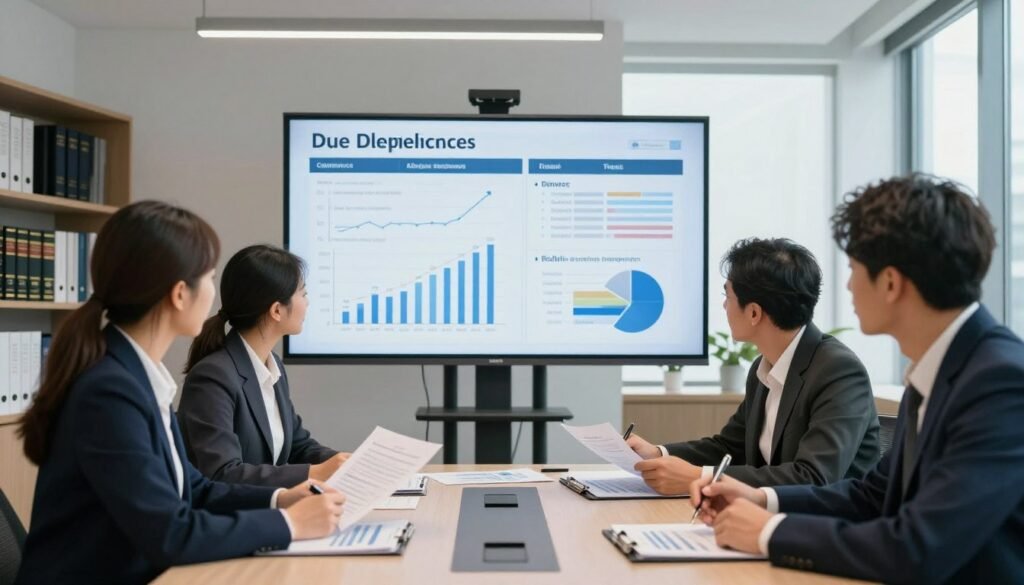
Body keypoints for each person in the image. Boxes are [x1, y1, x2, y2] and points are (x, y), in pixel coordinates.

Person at [691, 175, 1024, 583]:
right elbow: (874, 496)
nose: (847, 285)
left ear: (889, 282)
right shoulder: (941, 368)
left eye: (853, 269)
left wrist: (769, 532)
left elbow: (918, 548)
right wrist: (762, 498)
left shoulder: (1000, 382)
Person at [15, 201, 345, 585]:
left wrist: (280, 500)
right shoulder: (108, 392)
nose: (213, 293)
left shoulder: (136, 375)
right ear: (179, 294)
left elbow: (195, 488)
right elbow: (170, 534)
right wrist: (288, 524)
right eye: (208, 277)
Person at [627, 238, 879, 494]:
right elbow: (730, 447)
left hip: (827, 527)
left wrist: (698, 476)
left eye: (728, 295)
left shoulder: (838, 371)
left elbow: (813, 477)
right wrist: (657, 453)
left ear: (754, 313)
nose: (725, 306)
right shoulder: (764, 368)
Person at [178, 245, 348, 487]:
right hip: (232, 519)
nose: (307, 303)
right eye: (303, 293)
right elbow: (223, 474)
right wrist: (315, 473)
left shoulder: (270, 365)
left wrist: (346, 463)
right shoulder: (213, 377)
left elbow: (298, 444)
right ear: (277, 310)